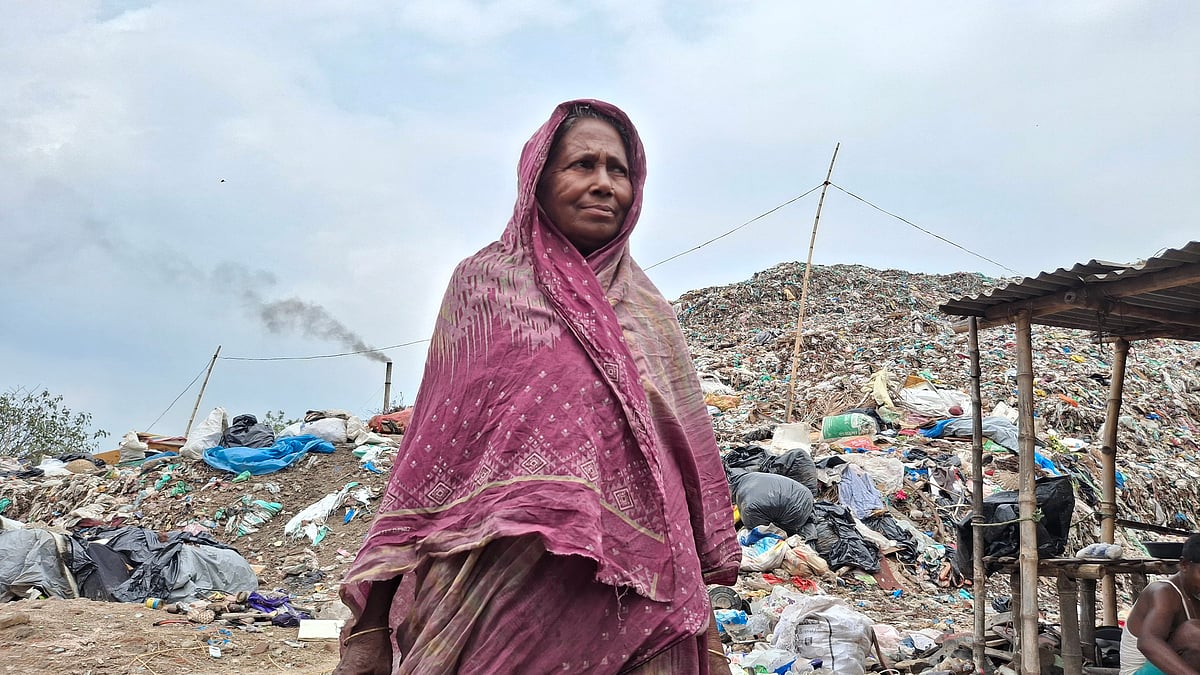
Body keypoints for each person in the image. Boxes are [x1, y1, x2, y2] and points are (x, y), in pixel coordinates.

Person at [333, 99, 740, 674]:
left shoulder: (649, 315)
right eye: (582, 165)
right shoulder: (483, 288)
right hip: (490, 602)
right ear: (538, 181)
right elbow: (428, 464)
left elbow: (677, 482)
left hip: (639, 613)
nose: (604, 184)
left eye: (618, 170)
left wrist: (711, 637)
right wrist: (369, 628)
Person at [1120, 534, 1200, 675]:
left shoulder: (1195, 592)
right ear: (1184, 565)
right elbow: (1147, 642)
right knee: (1193, 633)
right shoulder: (1163, 592)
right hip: (1139, 672)